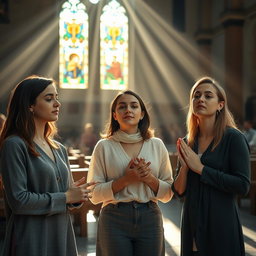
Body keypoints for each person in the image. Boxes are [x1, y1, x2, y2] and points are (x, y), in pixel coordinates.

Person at [0, 75, 95, 256]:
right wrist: (65, 197)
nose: (57, 104)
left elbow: (64, 195)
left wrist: (75, 197)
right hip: (31, 237)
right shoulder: (15, 145)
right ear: (30, 105)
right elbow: (19, 201)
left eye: (56, 98)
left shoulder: (59, 148)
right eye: (49, 99)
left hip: (61, 233)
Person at [87, 90, 173, 256]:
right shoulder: (104, 146)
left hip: (150, 217)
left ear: (142, 114)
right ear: (114, 115)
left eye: (134, 106)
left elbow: (168, 193)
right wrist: (126, 180)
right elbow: (94, 195)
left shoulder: (157, 145)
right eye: (122, 107)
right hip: (114, 218)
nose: (128, 110)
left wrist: (148, 178)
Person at [172, 76, 250, 256]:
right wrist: (184, 167)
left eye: (208, 96)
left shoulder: (234, 138)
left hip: (221, 223)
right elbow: (179, 191)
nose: (201, 99)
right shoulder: (187, 142)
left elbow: (243, 185)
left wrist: (201, 169)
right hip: (192, 223)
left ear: (220, 105)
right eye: (196, 96)